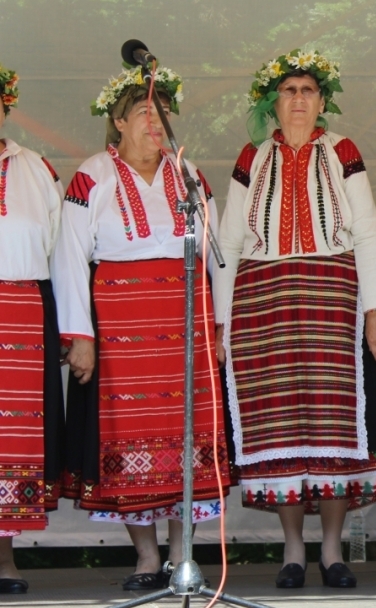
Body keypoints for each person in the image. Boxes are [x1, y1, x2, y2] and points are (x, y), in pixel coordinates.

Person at [215, 49, 376, 589]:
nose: (298, 100)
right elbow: (228, 238)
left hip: (331, 299)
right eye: (289, 91)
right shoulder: (253, 155)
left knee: (335, 422)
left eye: (308, 91)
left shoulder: (342, 151)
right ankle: (293, 549)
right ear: (275, 102)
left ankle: (333, 550)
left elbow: (366, 232)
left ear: (322, 101)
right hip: (262, 303)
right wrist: (221, 324)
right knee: (278, 425)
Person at [52, 64, 228, 591]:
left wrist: (218, 326)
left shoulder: (189, 174)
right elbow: (67, 257)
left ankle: (181, 558)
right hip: (122, 327)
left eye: (163, 114)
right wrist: (79, 336)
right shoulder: (92, 177)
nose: (157, 123)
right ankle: (147, 559)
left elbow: (216, 259)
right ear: (118, 121)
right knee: (127, 437)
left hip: (186, 322)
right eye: (145, 114)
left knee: (187, 436)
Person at [0, 62, 64, 595]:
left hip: (20, 311)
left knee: (11, 442)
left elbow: (60, 251)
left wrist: (70, 328)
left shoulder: (34, 167)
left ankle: (4, 560)